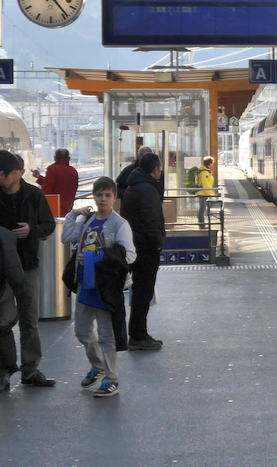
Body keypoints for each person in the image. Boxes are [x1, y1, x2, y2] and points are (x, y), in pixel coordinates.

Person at [62, 177, 136, 397]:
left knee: (106, 335)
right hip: (86, 284)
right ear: (93, 196)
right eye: (99, 195)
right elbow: (66, 237)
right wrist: (73, 214)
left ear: (114, 197)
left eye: (107, 195)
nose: (103, 199)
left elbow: (130, 255)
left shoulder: (119, 224)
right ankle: (98, 366)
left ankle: (112, 379)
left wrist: (99, 256)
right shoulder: (87, 221)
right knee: (82, 331)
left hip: (106, 287)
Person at [0, 150, 56, 385]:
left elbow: (49, 225)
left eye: (4, 173)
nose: (1, 177)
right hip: (1, 269)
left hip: (28, 265)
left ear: (18, 173)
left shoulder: (34, 195)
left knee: (28, 319)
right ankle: (3, 371)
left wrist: (31, 231)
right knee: (2, 321)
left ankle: (30, 368)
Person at [120, 152, 166, 351]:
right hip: (145, 248)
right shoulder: (147, 189)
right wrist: (157, 243)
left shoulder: (136, 185)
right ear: (155, 169)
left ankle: (140, 333)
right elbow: (150, 220)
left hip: (136, 244)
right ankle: (138, 336)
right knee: (143, 292)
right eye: (160, 167)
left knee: (140, 291)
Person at [0, 226, 23, 393]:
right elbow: (14, 270)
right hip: (4, 290)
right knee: (4, 329)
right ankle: (5, 372)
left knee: (4, 329)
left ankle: (5, 372)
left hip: (2, 291)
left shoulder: (4, 235)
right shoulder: (5, 235)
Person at [32, 148, 80, 215]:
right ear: (69, 158)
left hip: (54, 208)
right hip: (68, 206)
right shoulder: (73, 171)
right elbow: (62, 184)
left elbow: (47, 188)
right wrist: (39, 177)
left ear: (55, 158)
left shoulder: (52, 169)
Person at [195, 156, 216, 228]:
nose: (213, 164)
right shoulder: (204, 172)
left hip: (203, 193)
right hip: (203, 193)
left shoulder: (205, 171)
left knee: (203, 208)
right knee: (202, 208)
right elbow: (206, 185)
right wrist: (211, 196)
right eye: (212, 163)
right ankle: (201, 224)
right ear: (209, 163)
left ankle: (202, 223)